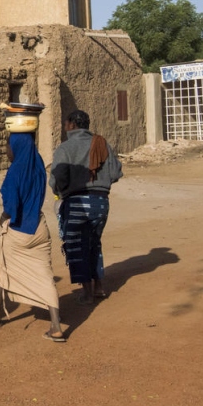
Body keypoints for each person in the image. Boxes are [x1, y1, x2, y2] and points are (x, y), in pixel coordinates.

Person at [0, 133, 66, 342]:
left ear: (15, 147)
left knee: (1, 269)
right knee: (45, 275)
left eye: (8, 146)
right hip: (40, 227)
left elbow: (12, 207)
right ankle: (56, 325)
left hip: (19, 230)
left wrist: (3, 216)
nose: (6, 151)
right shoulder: (38, 163)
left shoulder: (14, 172)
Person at [50, 110, 123, 305]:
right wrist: (99, 182)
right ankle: (99, 287)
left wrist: (61, 190)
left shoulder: (65, 148)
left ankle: (87, 293)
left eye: (66, 124)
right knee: (93, 243)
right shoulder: (101, 143)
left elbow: (58, 178)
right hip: (101, 203)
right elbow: (115, 172)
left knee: (76, 247)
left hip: (76, 203)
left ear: (72, 125)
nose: (65, 128)